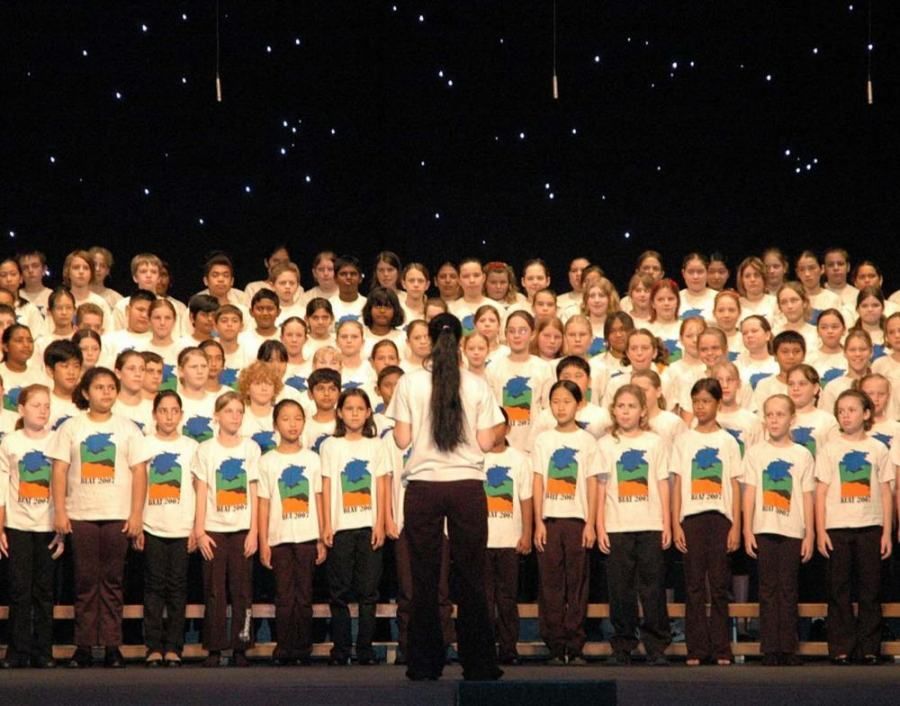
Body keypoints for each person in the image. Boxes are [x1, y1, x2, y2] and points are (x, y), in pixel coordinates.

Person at [387, 313, 504, 681]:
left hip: (424, 487)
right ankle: (479, 663)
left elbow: (402, 440)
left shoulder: (409, 383)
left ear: (430, 340)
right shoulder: (476, 384)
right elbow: (487, 442)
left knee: (423, 579)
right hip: (467, 486)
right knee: (472, 576)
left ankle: (423, 663)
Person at [49, 367, 149, 667]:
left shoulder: (128, 428)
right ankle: (82, 645)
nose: (106, 392)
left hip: (117, 514)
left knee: (113, 581)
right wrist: (61, 512)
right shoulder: (71, 427)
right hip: (82, 513)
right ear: (85, 392)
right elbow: (59, 470)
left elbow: (139, 472)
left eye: (110, 387)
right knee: (84, 581)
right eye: (99, 387)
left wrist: (135, 515)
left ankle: (111, 645)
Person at [596, 384, 672, 666]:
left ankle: (656, 644)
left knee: (652, 586)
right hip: (617, 524)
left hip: (650, 522)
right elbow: (600, 488)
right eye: (620, 406)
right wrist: (600, 526)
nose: (625, 411)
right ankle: (623, 643)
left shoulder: (655, 442)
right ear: (613, 410)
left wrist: (667, 522)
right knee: (620, 587)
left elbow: (663, 483)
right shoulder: (605, 444)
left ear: (642, 411)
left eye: (631, 406)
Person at [815, 389, 893, 664]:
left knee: (871, 590)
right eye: (841, 411)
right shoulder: (829, 448)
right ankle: (841, 647)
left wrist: (886, 531)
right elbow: (821, 492)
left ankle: (870, 647)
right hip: (837, 526)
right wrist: (821, 530)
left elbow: (885, 492)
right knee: (839, 591)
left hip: (870, 526)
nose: (846, 415)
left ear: (867, 414)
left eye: (852, 409)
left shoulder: (877, 448)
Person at [671, 378, 742, 666]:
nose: (701, 407)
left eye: (707, 401)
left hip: (720, 518)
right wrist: (676, 523)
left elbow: (735, 485)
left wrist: (736, 524)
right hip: (692, 518)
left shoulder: (727, 441)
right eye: (696, 401)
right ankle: (696, 648)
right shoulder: (684, 440)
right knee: (694, 586)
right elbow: (676, 483)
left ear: (717, 403)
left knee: (720, 585)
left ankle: (722, 647)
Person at [741, 394, 815, 666]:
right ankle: (770, 647)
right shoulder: (755, 453)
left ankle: (788, 647)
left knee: (788, 589)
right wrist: (748, 530)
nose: (774, 420)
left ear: (792, 419)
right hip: (764, 527)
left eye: (780, 415)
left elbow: (807, 496)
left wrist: (810, 533)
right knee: (768, 589)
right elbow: (749, 493)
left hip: (793, 528)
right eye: (769, 415)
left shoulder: (802, 454)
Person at [532, 379, 599, 666]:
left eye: (567, 401)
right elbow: (538, 482)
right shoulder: (543, 440)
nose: (561, 407)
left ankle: (576, 643)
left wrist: (591, 524)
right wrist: (538, 522)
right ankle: (555, 645)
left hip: (577, 521)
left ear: (579, 404)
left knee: (577, 584)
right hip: (550, 519)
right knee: (551, 585)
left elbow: (592, 483)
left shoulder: (587, 441)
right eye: (556, 401)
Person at [320, 389, 388, 665]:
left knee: (368, 593)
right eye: (349, 408)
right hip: (340, 528)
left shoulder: (376, 446)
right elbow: (325, 486)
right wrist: (326, 524)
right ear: (339, 412)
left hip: (368, 526)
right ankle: (341, 649)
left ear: (369, 412)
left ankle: (365, 649)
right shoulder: (330, 446)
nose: (355, 413)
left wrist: (380, 523)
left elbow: (382, 486)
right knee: (339, 593)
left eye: (360, 408)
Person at [193, 391, 260, 667]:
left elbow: (255, 490)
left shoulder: (250, 448)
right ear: (217, 416)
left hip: (243, 529)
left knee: (242, 591)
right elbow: (202, 491)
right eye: (229, 411)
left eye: (239, 411)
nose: (235, 416)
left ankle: (241, 645)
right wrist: (200, 530)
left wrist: (254, 531)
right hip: (214, 530)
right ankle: (215, 647)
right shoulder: (206, 450)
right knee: (214, 590)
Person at [0, 384, 65, 669]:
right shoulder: (10, 442)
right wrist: (1, 527)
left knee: (44, 591)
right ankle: (17, 651)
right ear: (21, 408)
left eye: (46, 405)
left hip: (49, 525)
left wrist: (62, 528)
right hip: (18, 524)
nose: (42, 410)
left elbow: (66, 487)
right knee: (19, 589)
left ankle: (44, 651)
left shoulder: (58, 441)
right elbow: (2, 486)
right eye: (36, 405)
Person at [257, 399, 326, 666]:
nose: (292, 424)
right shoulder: (268, 461)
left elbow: (319, 498)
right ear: (275, 424)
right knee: (284, 596)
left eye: (297, 418)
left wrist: (321, 536)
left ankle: (302, 648)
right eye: (286, 419)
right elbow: (263, 504)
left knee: (304, 595)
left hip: (308, 536)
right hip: (279, 538)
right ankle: (285, 647)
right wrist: (264, 542)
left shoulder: (311, 459)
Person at [136, 390, 198, 667]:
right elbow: (136, 488)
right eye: (163, 411)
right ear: (154, 415)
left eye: (174, 411)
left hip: (183, 527)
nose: (169, 416)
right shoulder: (144, 444)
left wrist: (197, 527)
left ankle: (174, 646)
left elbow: (199, 490)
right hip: (152, 526)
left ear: (181, 415)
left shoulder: (191, 447)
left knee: (177, 589)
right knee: (153, 588)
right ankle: (153, 647)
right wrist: (137, 524)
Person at [483, 409, 533, 665]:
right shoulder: (474, 458)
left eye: (498, 425)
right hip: (481, 541)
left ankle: (508, 648)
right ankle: (483, 649)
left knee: (506, 598)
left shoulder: (519, 459)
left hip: (509, 540)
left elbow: (526, 498)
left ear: (508, 428)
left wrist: (527, 532)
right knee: (483, 598)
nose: (493, 430)